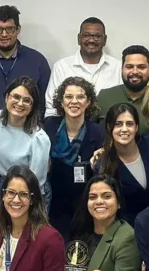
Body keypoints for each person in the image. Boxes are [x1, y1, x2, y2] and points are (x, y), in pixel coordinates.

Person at [43, 77, 106, 235]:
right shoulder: (49, 127)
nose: (74, 101)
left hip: (84, 206)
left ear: (88, 102)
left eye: (80, 97)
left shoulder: (98, 132)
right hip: (53, 204)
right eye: (69, 97)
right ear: (61, 101)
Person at [0, 5, 51, 113]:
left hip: (27, 128)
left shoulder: (37, 61)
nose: (4, 34)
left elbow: (44, 105)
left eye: (9, 29)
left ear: (18, 30)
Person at [0, 76, 52, 212]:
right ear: (6, 98)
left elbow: (36, 183)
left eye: (27, 100)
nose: (20, 103)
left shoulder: (39, 138)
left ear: (32, 107)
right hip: (0, 183)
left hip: (28, 191)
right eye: (16, 97)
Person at [96, 103, 149, 225]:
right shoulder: (103, 164)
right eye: (118, 124)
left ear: (136, 127)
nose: (124, 129)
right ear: (110, 127)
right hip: (125, 232)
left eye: (129, 124)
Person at [45, 17, 121, 117]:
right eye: (86, 35)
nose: (91, 40)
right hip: (69, 129)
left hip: (108, 129)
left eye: (97, 36)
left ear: (105, 40)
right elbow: (52, 109)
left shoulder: (118, 67)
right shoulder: (61, 67)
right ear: (79, 39)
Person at [96, 45, 149, 133]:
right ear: (122, 69)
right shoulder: (104, 97)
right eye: (129, 67)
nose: (135, 72)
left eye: (141, 67)